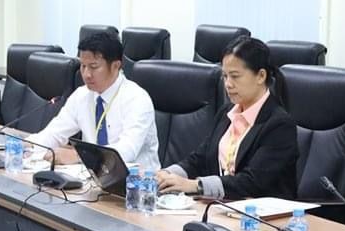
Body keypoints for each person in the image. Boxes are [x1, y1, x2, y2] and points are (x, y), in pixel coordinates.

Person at [158, 35, 299, 200]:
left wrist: (196, 185)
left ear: (261, 76)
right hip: (222, 206)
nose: (228, 84)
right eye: (225, 76)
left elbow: (252, 182)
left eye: (235, 76)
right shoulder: (227, 112)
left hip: (261, 212)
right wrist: (168, 174)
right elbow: (201, 158)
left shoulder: (279, 124)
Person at [27, 29, 160, 172]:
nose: (86, 74)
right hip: (93, 176)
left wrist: (79, 156)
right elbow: (55, 133)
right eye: (83, 66)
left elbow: (127, 151)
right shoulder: (82, 95)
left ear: (116, 66)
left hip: (136, 180)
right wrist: (27, 145)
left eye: (93, 67)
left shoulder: (137, 99)